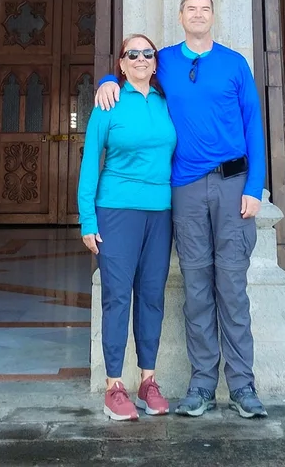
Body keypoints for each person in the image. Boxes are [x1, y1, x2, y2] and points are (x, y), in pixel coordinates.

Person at [96, 0, 268, 420]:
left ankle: (244, 386)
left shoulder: (235, 64)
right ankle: (202, 385)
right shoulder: (165, 60)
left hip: (233, 185)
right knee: (195, 288)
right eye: (191, 9)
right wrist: (104, 82)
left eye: (205, 9)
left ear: (213, 16)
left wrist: (256, 186)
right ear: (180, 16)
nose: (198, 15)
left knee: (231, 286)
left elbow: (253, 124)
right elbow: (132, 74)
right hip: (186, 189)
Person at [79, 34, 176, 422]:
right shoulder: (109, 101)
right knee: (117, 296)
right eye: (131, 53)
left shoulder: (167, 102)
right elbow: (90, 161)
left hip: (161, 212)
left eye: (146, 53)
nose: (139, 58)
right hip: (116, 210)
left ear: (155, 63)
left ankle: (148, 381)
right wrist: (87, 218)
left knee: (152, 295)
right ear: (120, 63)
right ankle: (114, 386)